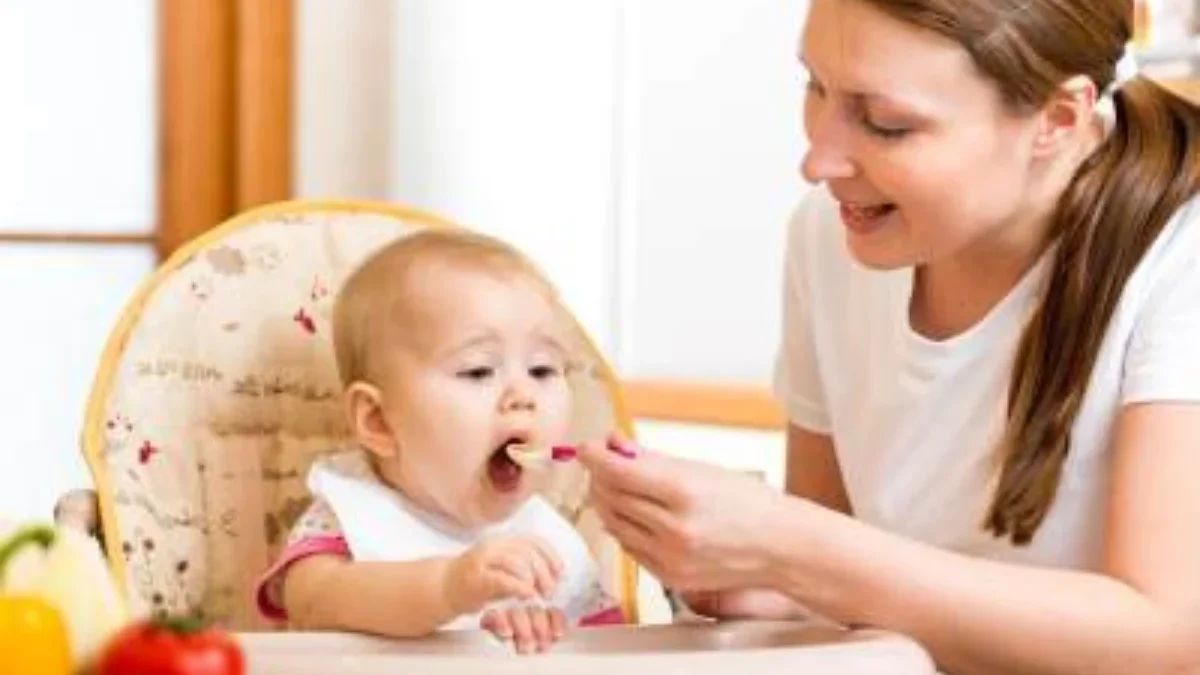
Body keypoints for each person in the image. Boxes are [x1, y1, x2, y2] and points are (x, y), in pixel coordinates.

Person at [578, 0, 1200, 672]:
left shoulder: (1179, 259)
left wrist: (792, 545)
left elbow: (1167, 638)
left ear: (1057, 119)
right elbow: (844, 583)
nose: (818, 161)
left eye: (886, 124)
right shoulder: (831, 237)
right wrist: (757, 573)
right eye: (815, 86)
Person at [253, 229, 624, 654]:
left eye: (542, 370)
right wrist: (449, 587)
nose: (524, 397)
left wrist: (549, 636)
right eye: (479, 371)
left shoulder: (546, 535)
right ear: (379, 422)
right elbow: (314, 600)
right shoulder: (354, 514)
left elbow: (608, 655)